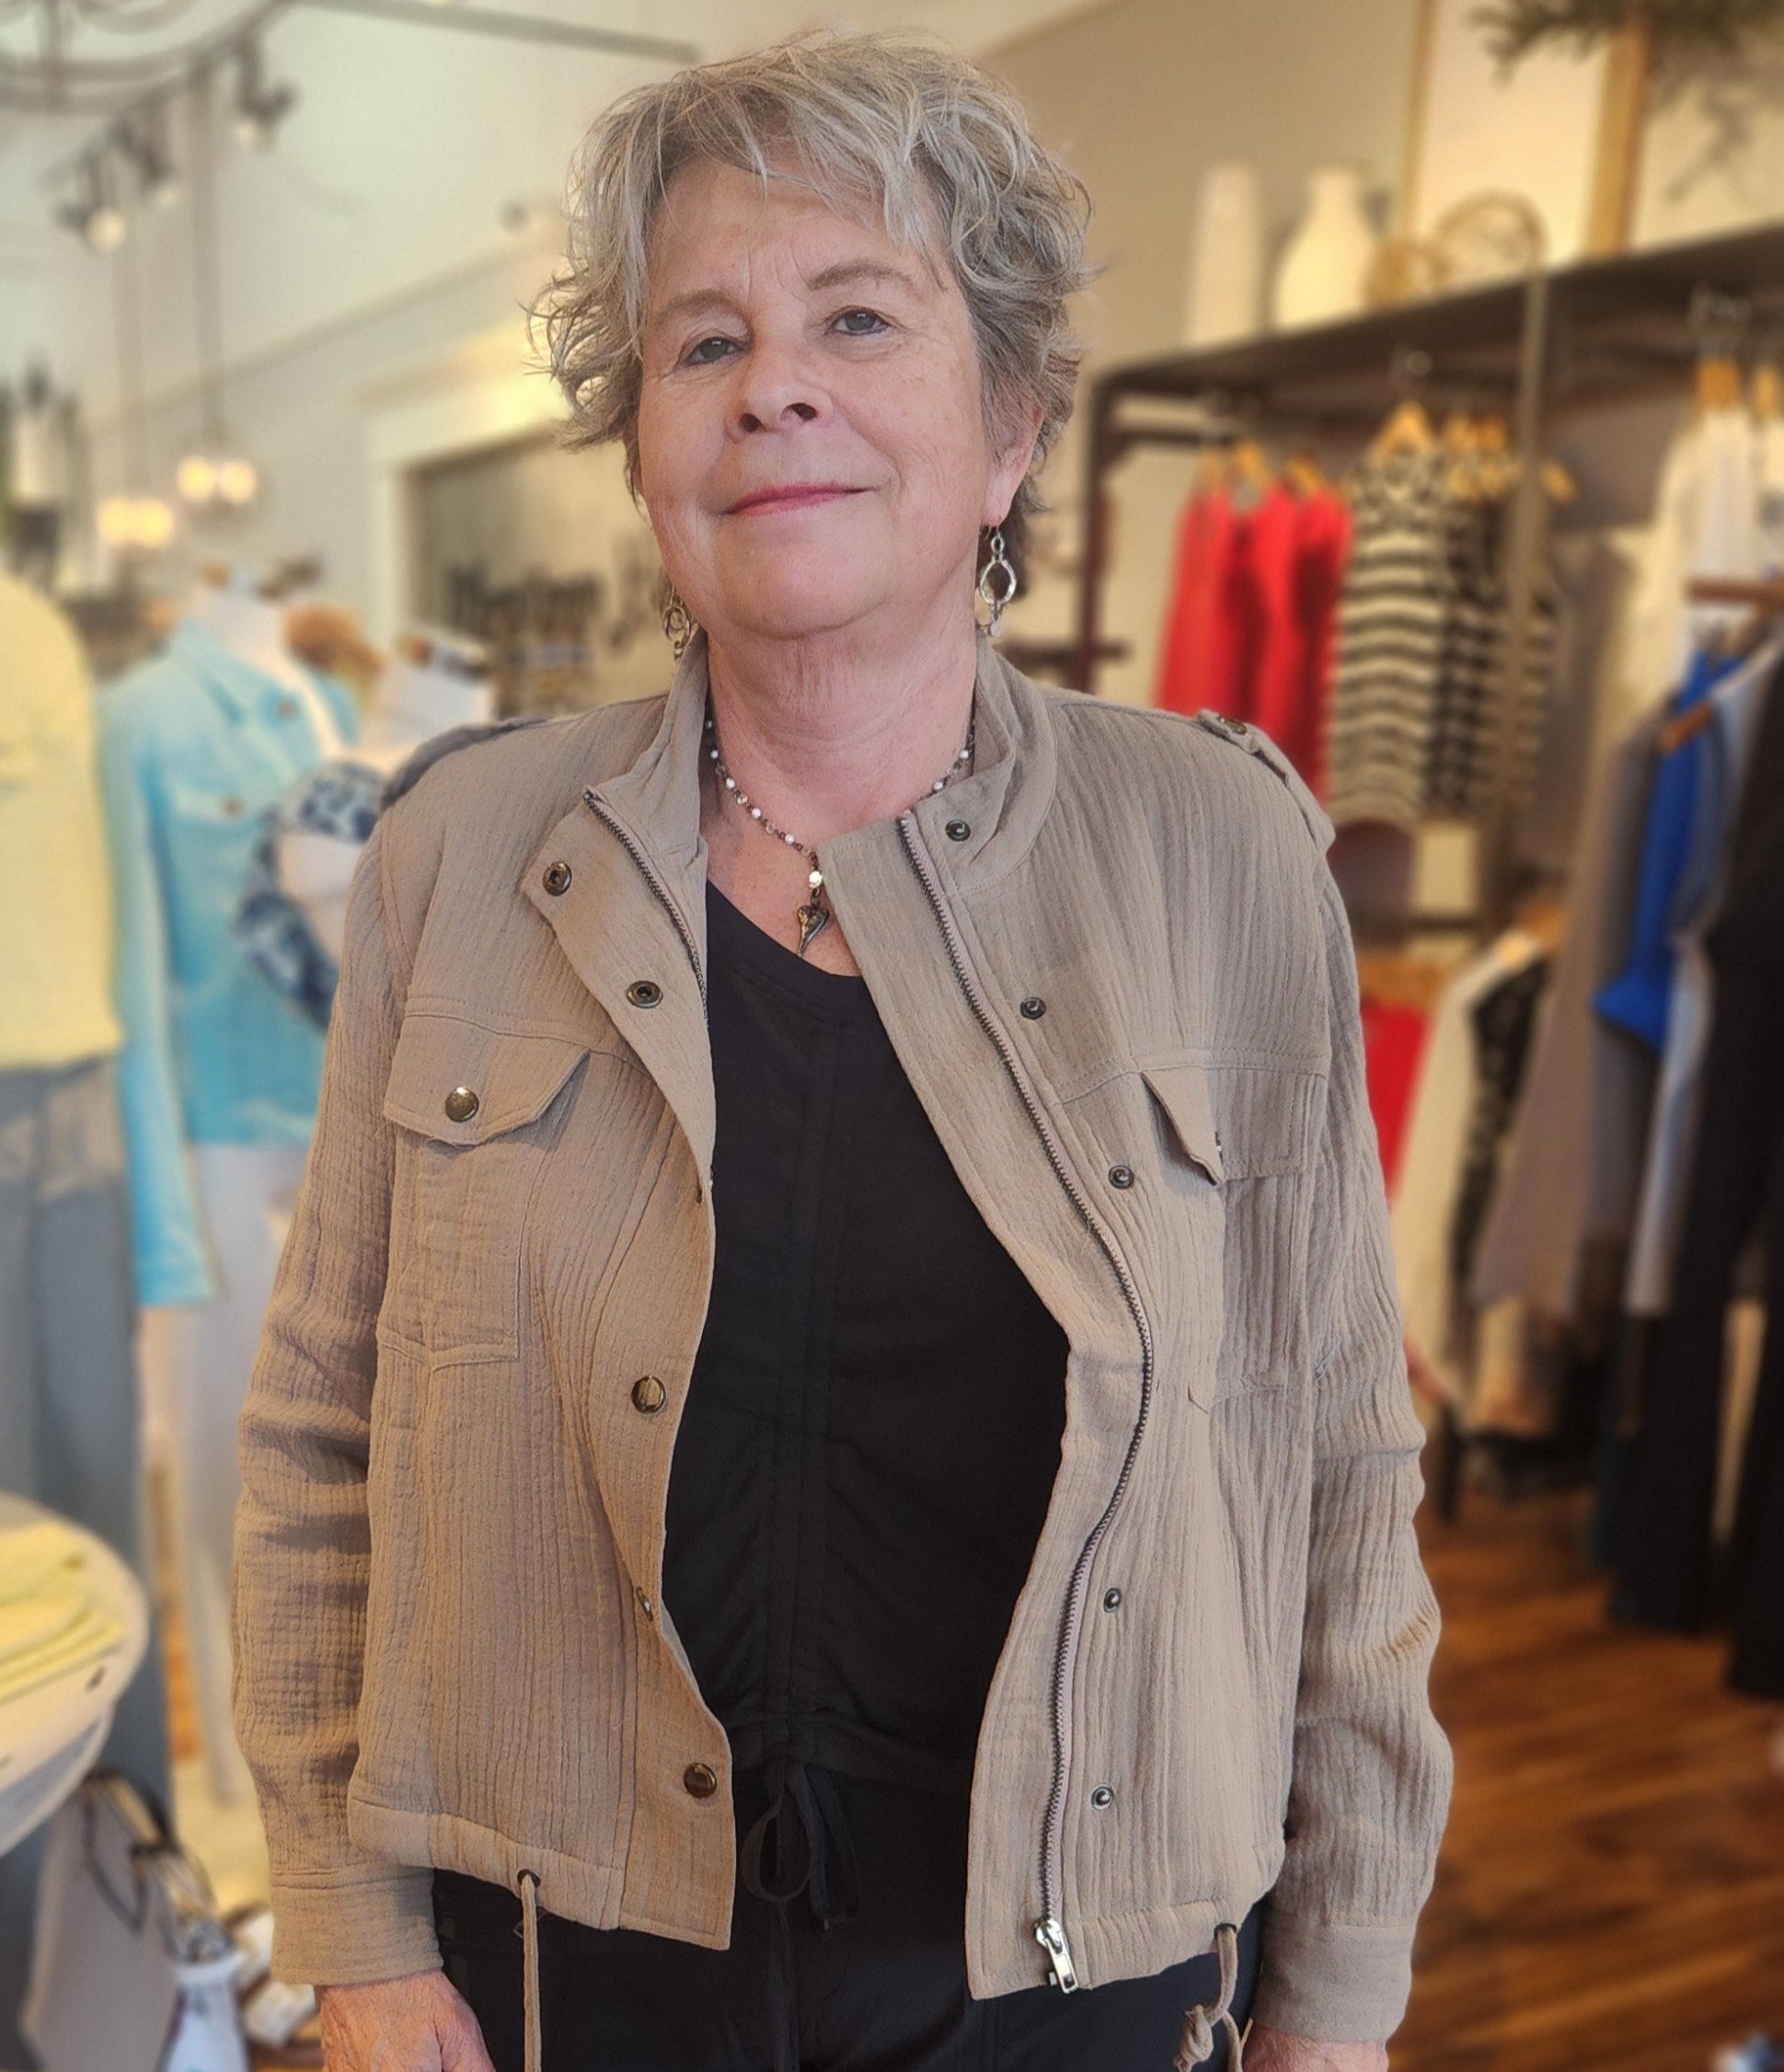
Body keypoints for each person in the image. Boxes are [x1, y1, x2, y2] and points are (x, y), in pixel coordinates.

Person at [233, 32, 1450, 2072]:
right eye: (702, 341)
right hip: (561, 1961)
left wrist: (1337, 2000)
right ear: (642, 453)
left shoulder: (1219, 854)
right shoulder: (458, 850)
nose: (770, 386)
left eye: (858, 318)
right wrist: (352, 1929)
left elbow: (1337, 1459)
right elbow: (316, 1434)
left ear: (1011, 425)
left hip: (1070, 1975)